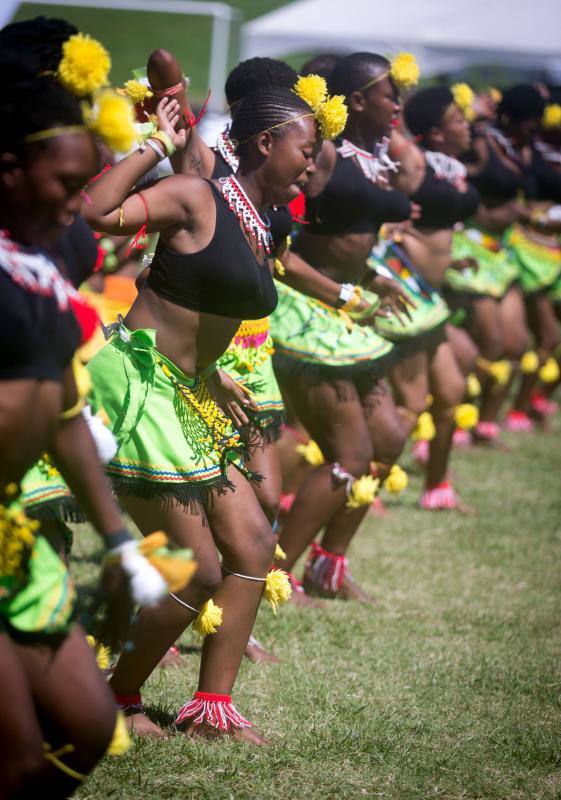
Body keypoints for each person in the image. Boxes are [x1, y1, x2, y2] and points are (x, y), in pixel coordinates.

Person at [81, 84, 345, 742]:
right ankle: (113, 697)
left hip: (191, 386)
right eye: (305, 151)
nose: (313, 166)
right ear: (265, 143)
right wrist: (158, 145)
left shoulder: (259, 222)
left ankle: (210, 710)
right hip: (139, 382)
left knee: (255, 541)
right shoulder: (199, 193)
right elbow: (97, 211)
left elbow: (196, 300)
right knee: (197, 565)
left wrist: (213, 369)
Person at [0, 51, 173, 796]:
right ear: (8, 168)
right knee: (16, 754)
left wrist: (116, 539)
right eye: (66, 185)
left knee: (88, 728)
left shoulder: (39, 258)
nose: (79, 204)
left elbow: (58, 408)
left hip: (14, 536)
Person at [273, 53, 417, 599]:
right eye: (388, 94)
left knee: (390, 438)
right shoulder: (324, 153)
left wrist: (376, 275)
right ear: (355, 101)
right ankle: (270, 573)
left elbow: (354, 232)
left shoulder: (371, 157)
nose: (397, 103)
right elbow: (278, 237)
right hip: (309, 312)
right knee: (349, 455)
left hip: (350, 313)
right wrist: (345, 290)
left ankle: (328, 563)